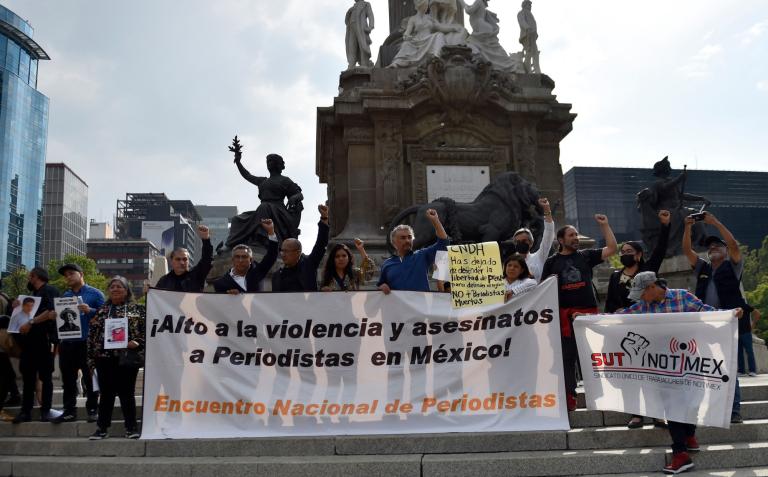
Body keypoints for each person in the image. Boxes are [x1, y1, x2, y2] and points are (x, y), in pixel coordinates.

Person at [616, 271, 742, 475]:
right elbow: (618, 318)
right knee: (672, 407)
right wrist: (586, 319)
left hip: (691, 362)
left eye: (641, 293)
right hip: (662, 366)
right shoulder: (642, 306)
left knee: (692, 402)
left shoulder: (683, 297)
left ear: (651, 287)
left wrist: (730, 313)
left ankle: (689, 434)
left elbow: (706, 311)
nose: (639, 298)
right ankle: (680, 454)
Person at [541, 214, 617, 411]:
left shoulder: (586, 256)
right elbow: (544, 289)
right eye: (571, 235)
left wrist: (605, 226)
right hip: (564, 319)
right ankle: (569, 396)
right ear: (561, 240)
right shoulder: (551, 262)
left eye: (576, 235)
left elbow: (612, 249)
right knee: (567, 358)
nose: (575, 238)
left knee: (591, 356)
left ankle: (599, 395)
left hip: (587, 317)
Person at [682, 212, 746, 423]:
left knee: (729, 366)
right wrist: (688, 227)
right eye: (710, 247)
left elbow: (734, 245)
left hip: (728, 325)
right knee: (705, 366)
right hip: (705, 325)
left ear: (726, 251)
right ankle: (709, 406)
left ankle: (734, 409)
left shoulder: (733, 265)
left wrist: (715, 223)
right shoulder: (703, 267)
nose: (713, 248)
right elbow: (686, 250)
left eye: (718, 246)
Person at [87, 276, 145, 440]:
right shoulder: (101, 311)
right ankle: (102, 428)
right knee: (106, 394)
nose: (115, 289)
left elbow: (146, 332)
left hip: (126, 358)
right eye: (112, 287)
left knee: (127, 393)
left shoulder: (137, 309)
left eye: (119, 286)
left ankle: (131, 427)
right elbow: (91, 336)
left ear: (127, 290)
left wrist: (137, 342)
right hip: (104, 358)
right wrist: (91, 360)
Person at [50, 263, 105, 424]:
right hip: (67, 342)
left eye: (71, 273)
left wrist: (91, 311)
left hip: (87, 341)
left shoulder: (95, 294)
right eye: (65, 275)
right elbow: (60, 320)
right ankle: (69, 411)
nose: (68, 277)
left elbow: (106, 316)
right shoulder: (65, 296)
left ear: (81, 274)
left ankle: (93, 409)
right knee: (67, 379)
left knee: (89, 378)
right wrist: (55, 315)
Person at [226, 141, 304, 248]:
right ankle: (230, 244)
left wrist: (293, 198)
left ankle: (261, 238)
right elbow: (247, 175)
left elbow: (299, 195)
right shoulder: (263, 181)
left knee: (263, 207)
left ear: (278, 164)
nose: (269, 163)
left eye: (271, 161)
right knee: (237, 219)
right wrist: (238, 162)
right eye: (268, 161)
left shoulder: (285, 180)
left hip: (278, 211)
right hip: (264, 210)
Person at [12, 268, 59, 423]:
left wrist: (31, 322)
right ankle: (26, 411)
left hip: (44, 341)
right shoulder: (32, 296)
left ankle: (45, 410)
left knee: (45, 377)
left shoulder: (50, 290)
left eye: (30, 276)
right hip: (29, 343)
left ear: (36, 276)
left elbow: (52, 311)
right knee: (28, 377)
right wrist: (16, 307)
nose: (28, 279)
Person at [378, 208, 449, 293]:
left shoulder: (422, 256)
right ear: (394, 242)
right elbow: (380, 285)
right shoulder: (386, 264)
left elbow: (444, 243)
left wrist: (435, 220)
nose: (407, 240)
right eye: (403, 238)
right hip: (397, 306)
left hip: (420, 306)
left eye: (409, 237)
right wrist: (382, 286)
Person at [388, 0, 466, 68]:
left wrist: (453, 28)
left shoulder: (430, 18)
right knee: (406, 45)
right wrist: (407, 37)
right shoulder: (413, 19)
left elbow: (440, 28)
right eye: (424, 5)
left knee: (439, 35)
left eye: (426, 6)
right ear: (418, 6)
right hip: (417, 40)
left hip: (428, 38)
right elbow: (406, 33)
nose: (425, 7)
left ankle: (436, 57)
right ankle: (397, 63)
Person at [272, 205, 330, 292]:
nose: (283, 254)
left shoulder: (309, 265)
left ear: (298, 252)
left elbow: (321, 244)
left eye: (287, 251)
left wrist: (324, 218)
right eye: (282, 251)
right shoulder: (277, 276)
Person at [213, 219, 278, 294]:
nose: (240, 260)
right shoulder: (220, 283)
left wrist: (271, 231)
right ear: (232, 260)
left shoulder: (258, 272)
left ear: (251, 260)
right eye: (237, 257)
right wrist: (228, 296)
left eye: (244, 257)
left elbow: (272, 255)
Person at [155, 224, 213, 292]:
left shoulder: (196, 275)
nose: (182, 262)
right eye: (178, 259)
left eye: (185, 259)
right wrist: (148, 291)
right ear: (171, 261)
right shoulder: (163, 281)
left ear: (188, 261)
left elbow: (207, 259)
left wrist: (206, 240)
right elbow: (156, 297)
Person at [511, 197, 555, 282]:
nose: (521, 243)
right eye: (518, 242)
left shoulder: (538, 257)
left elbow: (549, 234)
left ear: (531, 243)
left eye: (524, 241)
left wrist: (546, 209)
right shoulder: (509, 264)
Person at [345, 0, 375, 69]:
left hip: (361, 27)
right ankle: (351, 64)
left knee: (362, 45)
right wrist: (349, 12)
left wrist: (370, 26)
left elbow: (370, 15)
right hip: (351, 28)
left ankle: (364, 63)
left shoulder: (366, 4)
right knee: (352, 46)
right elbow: (346, 21)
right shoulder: (352, 8)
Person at [517, 0, 540, 73]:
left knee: (535, 53)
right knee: (529, 52)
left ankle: (537, 71)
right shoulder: (521, 13)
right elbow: (522, 21)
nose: (530, 7)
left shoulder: (530, 13)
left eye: (530, 6)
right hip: (527, 34)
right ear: (524, 5)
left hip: (532, 35)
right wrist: (527, 28)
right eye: (529, 5)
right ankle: (528, 71)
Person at [737, 304, 758, 377]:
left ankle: (752, 370)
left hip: (746, 332)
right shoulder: (731, 305)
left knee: (749, 351)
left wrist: (752, 326)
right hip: (736, 332)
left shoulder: (745, 306)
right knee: (739, 352)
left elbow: (757, 313)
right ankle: (741, 371)